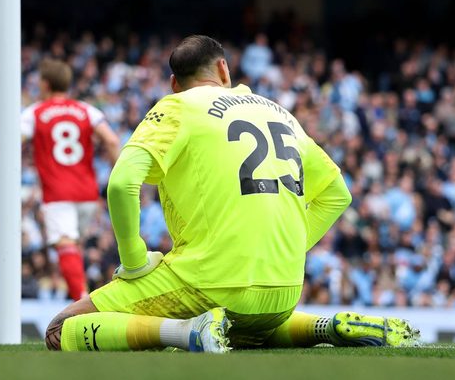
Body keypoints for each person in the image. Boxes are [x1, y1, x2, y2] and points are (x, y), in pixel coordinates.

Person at [44, 35, 419, 352]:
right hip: (283, 290)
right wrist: (285, 247)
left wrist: (134, 261)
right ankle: (327, 326)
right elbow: (338, 194)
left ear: (174, 84)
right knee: (245, 329)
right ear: (224, 70)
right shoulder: (279, 111)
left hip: (208, 281)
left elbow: (122, 181)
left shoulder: (178, 106)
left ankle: (187, 332)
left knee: (60, 331)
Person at [22, 59, 120, 301]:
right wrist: (115, 177)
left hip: (57, 192)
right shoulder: (86, 110)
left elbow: (13, 141)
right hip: (88, 192)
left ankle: (81, 303)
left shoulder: (34, 112)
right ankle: (85, 294)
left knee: (65, 246)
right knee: (74, 248)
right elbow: (112, 141)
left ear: (45, 84)